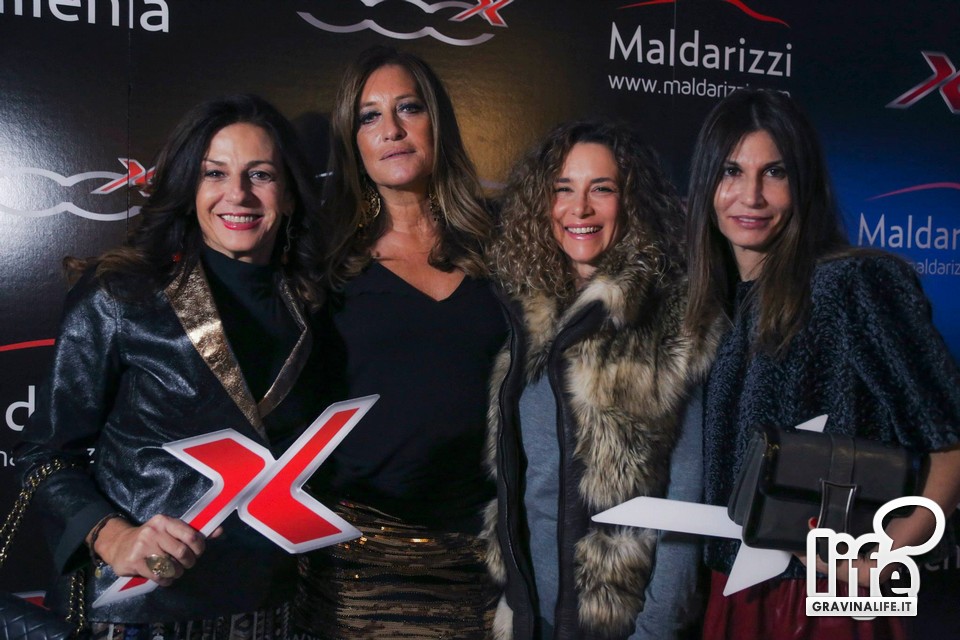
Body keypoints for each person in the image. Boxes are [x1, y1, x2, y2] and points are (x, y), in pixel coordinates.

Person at [16, 94, 336, 639]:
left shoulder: (313, 309)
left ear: (287, 194)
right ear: (190, 188)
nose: (238, 194)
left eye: (260, 174)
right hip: (138, 612)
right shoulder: (122, 295)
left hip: (269, 609)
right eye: (215, 173)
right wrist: (113, 535)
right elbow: (42, 454)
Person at [684, 88, 960, 639]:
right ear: (707, 184)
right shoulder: (719, 306)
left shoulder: (852, 283)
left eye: (775, 172)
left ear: (804, 183)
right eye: (732, 171)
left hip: (823, 600)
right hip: (732, 590)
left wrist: (889, 555)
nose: (751, 196)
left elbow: (950, 443)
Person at [295, 46, 506, 638]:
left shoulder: (500, 244)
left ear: (436, 121)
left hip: (485, 553)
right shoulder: (324, 258)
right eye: (370, 116)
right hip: (360, 557)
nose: (391, 129)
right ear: (353, 140)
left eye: (408, 108)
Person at [484, 120, 720, 640]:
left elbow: (688, 500)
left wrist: (656, 629)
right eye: (563, 189)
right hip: (530, 616)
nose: (581, 208)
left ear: (631, 201)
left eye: (602, 189)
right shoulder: (523, 315)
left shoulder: (676, 319)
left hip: (621, 624)